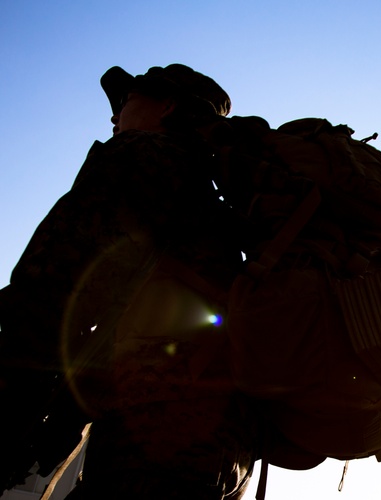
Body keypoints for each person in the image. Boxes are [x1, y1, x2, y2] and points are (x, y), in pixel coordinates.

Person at [0, 64, 256, 499]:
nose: (114, 117)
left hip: (146, 441)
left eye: (125, 102)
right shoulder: (212, 201)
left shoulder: (141, 155)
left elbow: (55, 284)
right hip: (223, 447)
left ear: (167, 106)